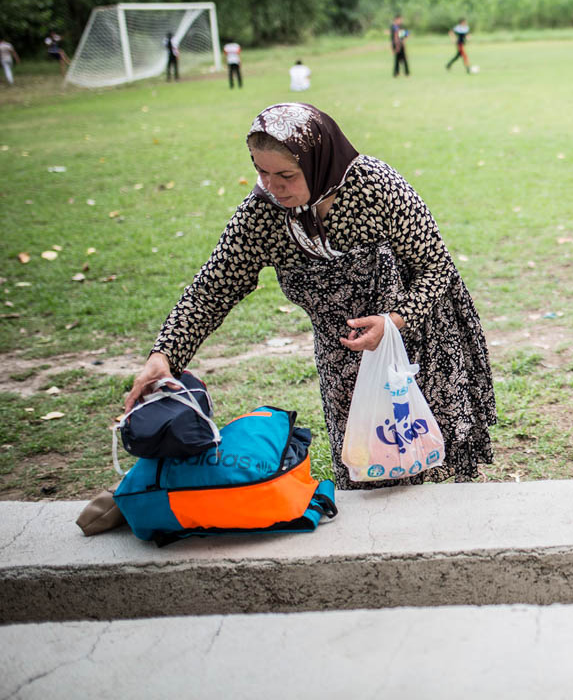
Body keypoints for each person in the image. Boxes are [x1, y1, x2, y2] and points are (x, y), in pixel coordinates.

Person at [123, 102, 497, 490]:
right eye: (261, 171)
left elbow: (436, 266)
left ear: (319, 161)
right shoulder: (262, 216)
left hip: (412, 330)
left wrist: (394, 322)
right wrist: (163, 355)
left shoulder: (375, 187)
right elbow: (211, 289)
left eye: (286, 174)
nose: (272, 186)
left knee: (422, 438)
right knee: (367, 454)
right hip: (342, 347)